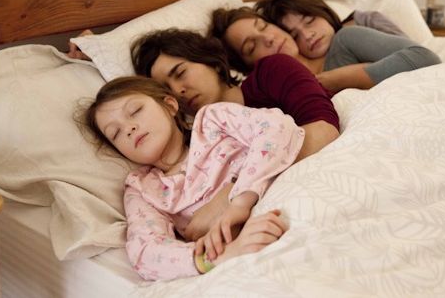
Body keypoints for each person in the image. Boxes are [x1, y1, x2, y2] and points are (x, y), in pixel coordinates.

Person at [81, 76, 303, 281]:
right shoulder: (143, 189)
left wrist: (240, 201)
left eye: (136, 110)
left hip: (286, 198)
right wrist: (213, 258)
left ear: (170, 105)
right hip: (239, 244)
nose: (128, 128)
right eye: (116, 133)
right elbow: (145, 251)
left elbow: (277, 127)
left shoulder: (212, 121)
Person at [130, 28, 340, 241]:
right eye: (166, 89)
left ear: (211, 61)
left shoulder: (272, 70)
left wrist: (229, 194)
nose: (178, 90)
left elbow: (325, 130)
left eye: (180, 73)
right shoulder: (198, 148)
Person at [211, 0, 441, 94]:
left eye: (263, 27)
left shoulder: (346, 39)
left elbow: (425, 57)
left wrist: (333, 79)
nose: (269, 39)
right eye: (252, 46)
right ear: (251, 66)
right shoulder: (275, 92)